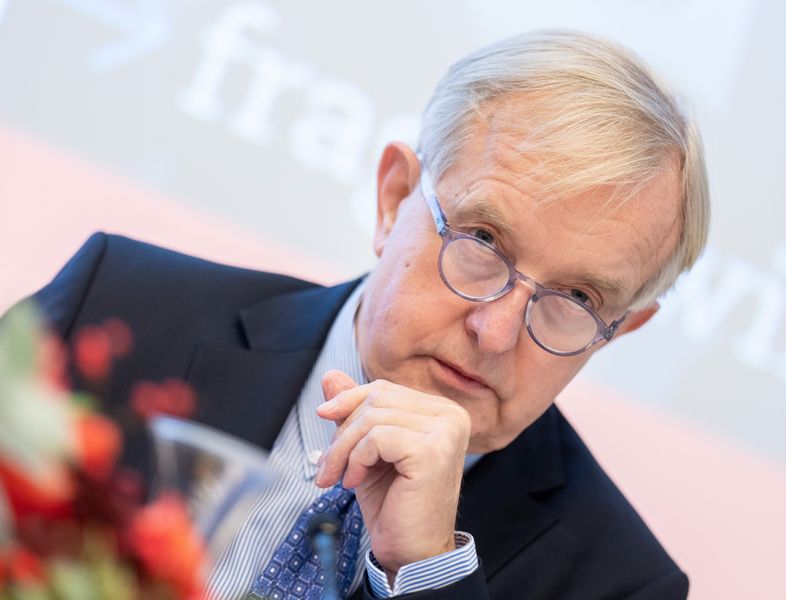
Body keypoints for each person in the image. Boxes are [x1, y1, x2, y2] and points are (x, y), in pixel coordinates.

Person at [21, 30, 708, 599]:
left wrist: (429, 569)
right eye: (482, 241)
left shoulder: (619, 583)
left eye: (578, 300)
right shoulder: (115, 306)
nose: (495, 333)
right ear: (394, 198)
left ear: (619, 331)